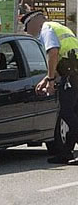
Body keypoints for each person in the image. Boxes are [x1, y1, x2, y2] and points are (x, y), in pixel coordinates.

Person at [22, 10, 78, 165]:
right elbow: (63, 57)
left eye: (28, 28)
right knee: (73, 114)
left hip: (71, 75)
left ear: (36, 22)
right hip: (72, 73)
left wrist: (51, 79)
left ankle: (66, 153)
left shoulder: (47, 29)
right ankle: (65, 153)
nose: (30, 33)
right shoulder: (59, 27)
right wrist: (47, 78)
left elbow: (53, 53)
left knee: (67, 114)